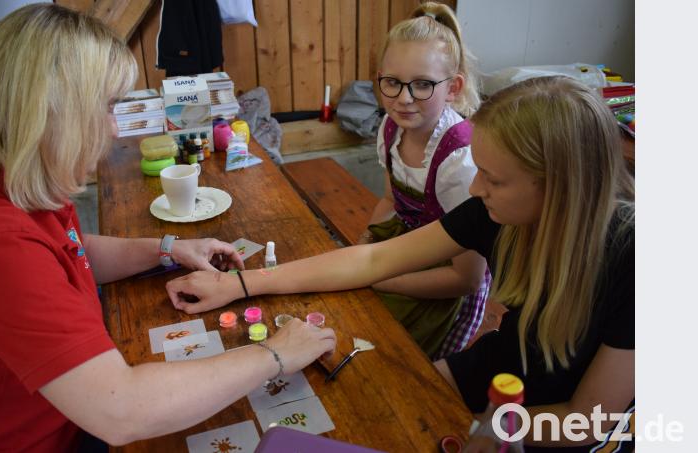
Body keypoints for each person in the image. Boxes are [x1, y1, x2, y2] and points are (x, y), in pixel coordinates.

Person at [167, 76, 634, 448]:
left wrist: (482, 429)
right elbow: (372, 259)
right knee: (382, 406)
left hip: (564, 424)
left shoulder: (637, 261)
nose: (474, 190)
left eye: (491, 179)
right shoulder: (498, 212)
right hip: (504, 369)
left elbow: (588, 419)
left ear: (557, 189)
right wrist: (242, 285)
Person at [0, 4, 336, 451]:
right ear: (49, 111)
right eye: (106, 107)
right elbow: (123, 410)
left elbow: (73, 254)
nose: (115, 129)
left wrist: (167, 248)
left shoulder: (17, 187)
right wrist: (274, 354)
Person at [359, 2, 489, 359]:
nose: (403, 98)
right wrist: (367, 242)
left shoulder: (459, 161)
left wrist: (382, 277)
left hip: (446, 277)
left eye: (422, 85)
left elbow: (468, 278)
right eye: (392, 83)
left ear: (453, 87)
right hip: (409, 249)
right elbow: (390, 201)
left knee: (395, 357)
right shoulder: (391, 128)